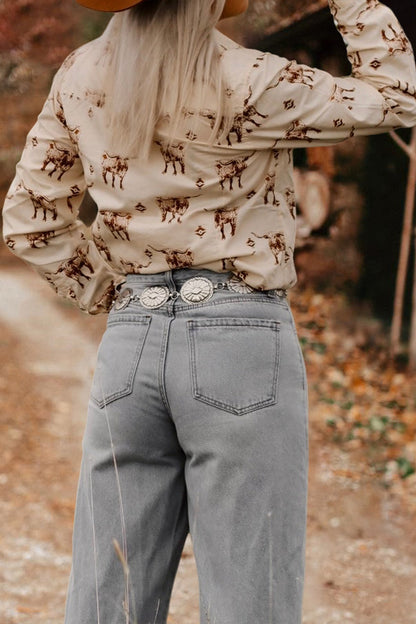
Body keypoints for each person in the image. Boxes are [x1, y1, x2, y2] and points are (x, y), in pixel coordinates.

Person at [2, 0, 416, 622]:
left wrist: (112, 294)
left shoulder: (79, 76)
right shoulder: (254, 79)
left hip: (130, 346)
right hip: (240, 344)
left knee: (108, 594)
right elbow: (398, 96)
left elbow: (31, 220)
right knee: (250, 594)